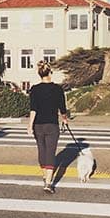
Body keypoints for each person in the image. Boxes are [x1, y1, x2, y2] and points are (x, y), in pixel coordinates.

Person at [27, 61, 68, 193]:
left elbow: (33, 109)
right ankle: (48, 183)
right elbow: (62, 108)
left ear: (39, 73)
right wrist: (64, 119)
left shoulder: (34, 89)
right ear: (50, 72)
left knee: (42, 151)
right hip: (52, 124)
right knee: (50, 152)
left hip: (38, 125)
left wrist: (30, 125)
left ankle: (45, 175)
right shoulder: (57, 89)